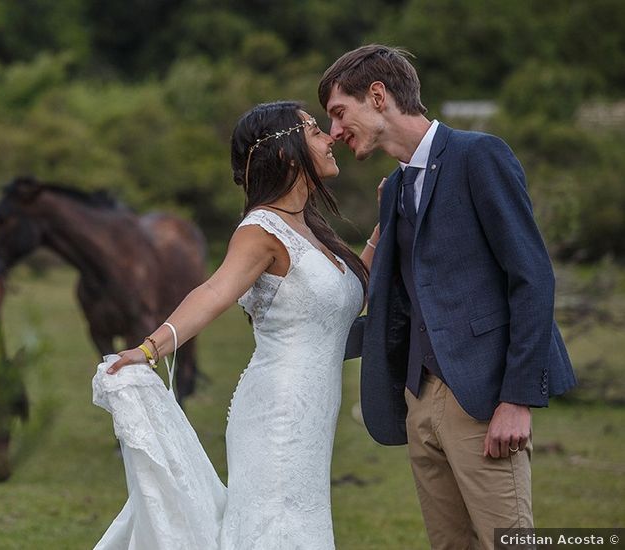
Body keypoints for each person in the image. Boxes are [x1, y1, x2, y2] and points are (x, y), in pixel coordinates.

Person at [319, 45, 577, 549]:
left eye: (338, 112)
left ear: (377, 96)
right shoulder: (394, 189)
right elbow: (396, 303)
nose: (334, 132)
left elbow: (532, 277)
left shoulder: (478, 155)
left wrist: (517, 399)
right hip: (421, 398)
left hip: (484, 397)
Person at [102, 101, 378, 549]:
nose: (331, 138)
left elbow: (350, 299)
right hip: (278, 414)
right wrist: (150, 349)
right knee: (276, 531)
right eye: (314, 130)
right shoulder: (261, 230)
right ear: (287, 151)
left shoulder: (311, 227)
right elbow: (213, 293)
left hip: (313, 416)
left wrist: (383, 232)